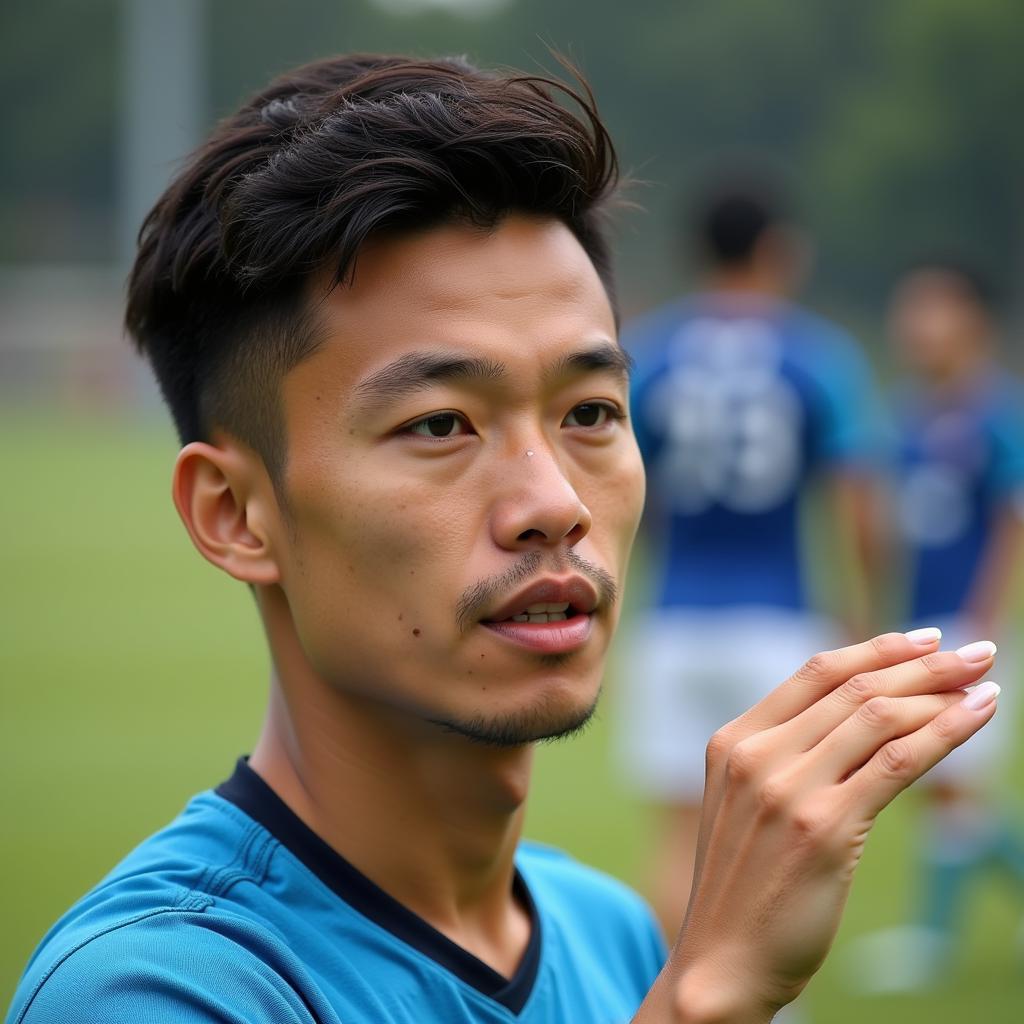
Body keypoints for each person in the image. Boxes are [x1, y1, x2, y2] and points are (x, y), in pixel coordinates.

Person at [5, 54, 1001, 1024]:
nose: (553, 500)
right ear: (234, 512)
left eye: (592, 413)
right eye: (440, 423)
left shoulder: (613, 931)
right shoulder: (158, 989)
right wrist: (707, 1004)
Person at [618, 175, 882, 934]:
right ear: (777, 250)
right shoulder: (819, 356)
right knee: (781, 840)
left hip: (672, 621)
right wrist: (862, 608)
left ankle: (680, 1005)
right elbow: (856, 500)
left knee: (679, 838)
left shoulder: (652, 355)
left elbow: (626, 485)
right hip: (777, 622)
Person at [847, 260, 1024, 993]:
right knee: (945, 791)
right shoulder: (905, 414)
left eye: (933, 308)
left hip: (966, 622)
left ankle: (930, 943)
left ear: (972, 319)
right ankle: (932, 940)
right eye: (909, 308)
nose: (916, 324)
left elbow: (1011, 519)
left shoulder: (997, 411)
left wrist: (986, 617)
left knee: (952, 789)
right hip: (919, 621)